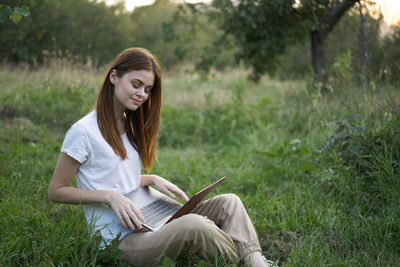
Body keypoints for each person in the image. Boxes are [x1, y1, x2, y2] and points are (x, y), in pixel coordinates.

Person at [48, 47, 272, 267]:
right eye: (136, 85)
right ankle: (243, 261)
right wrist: (109, 196)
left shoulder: (130, 124)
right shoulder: (84, 132)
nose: (142, 94)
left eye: (147, 89)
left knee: (229, 202)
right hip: (121, 240)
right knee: (193, 225)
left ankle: (257, 263)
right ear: (114, 77)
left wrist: (151, 178)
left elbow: (115, 178)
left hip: (147, 220)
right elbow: (56, 190)